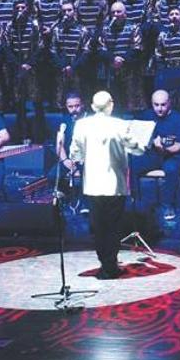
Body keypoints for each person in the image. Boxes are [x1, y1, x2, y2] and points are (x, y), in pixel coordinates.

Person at [69, 91, 146, 280]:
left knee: (98, 226)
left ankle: (105, 263)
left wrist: (78, 157)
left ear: (93, 107)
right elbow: (137, 149)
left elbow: (75, 153)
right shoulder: (120, 125)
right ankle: (110, 265)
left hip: (93, 184)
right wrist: (142, 145)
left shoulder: (81, 125)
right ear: (110, 105)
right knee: (113, 226)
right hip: (114, 184)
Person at [130, 90, 180, 220]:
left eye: (163, 105)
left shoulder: (178, 119)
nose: (160, 108)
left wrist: (162, 148)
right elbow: (136, 136)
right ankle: (135, 201)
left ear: (169, 103)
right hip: (154, 155)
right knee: (132, 164)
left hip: (174, 155)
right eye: (156, 105)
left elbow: (179, 146)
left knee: (171, 169)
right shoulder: (146, 115)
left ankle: (167, 205)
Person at [2, 0, 45, 143]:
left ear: (27, 8)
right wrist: (18, 65)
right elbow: (6, 47)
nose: (20, 10)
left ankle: (39, 135)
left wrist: (29, 63)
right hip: (16, 68)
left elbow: (40, 46)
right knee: (19, 104)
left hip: (33, 69)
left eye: (23, 8)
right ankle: (22, 135)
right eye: (17, 8)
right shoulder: (9, 26)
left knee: (36, 102)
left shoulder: (35, 24)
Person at [154, 8, 180, 131]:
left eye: (177, 14)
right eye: (171, 14)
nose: (174, 16)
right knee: (169, 104)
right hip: (167, 73)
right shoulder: (162, 35)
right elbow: (158, 55)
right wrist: (165, 70)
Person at [99, 2, 146, 114]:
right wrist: (113, 59)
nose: (116, 14)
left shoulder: (133, 27)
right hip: (112, 71)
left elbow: (137, 47)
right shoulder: (106, 29)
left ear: (125, 14)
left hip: (130, 71)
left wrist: (122, 59)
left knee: (132, 104)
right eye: (113, 12)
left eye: (119, 11)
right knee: (115, 103)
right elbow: (101, 48)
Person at [50, 2, 91, 111]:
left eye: (69, 10)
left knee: (80, 100)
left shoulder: (83, 30)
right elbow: (53, 50)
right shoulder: (57, 30)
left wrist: (73, 67)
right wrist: (63, 66)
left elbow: (86, 51)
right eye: (64, 11)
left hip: (78, 70)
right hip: (61, 70)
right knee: (61, 102)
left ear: (74, 11)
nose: (67, 13)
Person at [55, 91, 88, 213]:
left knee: (88, 175)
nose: (74, 109)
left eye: (77, 106)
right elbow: (59, 144)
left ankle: (85, 203)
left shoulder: (89, 120)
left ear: (82, 105)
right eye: (70, 107)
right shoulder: (65, 121)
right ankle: (68, 198)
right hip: (69, 159)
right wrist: (65, 161)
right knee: (52, 176)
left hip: (86, 159)